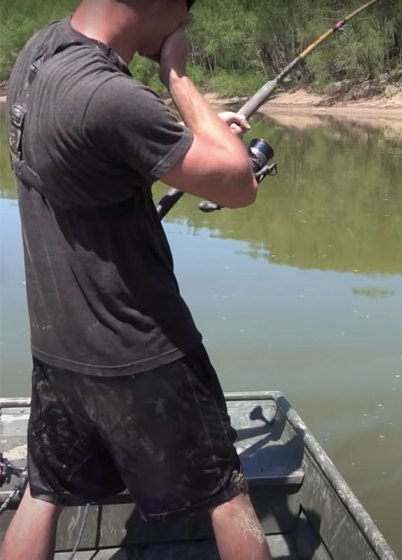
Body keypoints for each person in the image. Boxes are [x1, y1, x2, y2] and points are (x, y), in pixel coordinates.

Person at [1, 0, 270, 559]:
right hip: (143, 349)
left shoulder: (37, 55)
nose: (186, 24)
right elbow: (239, 183)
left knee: (44, 490)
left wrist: (196, 136)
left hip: (57, 347)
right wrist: (177, 75)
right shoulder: (110, 96)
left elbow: (99, 153)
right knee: (227, 496)